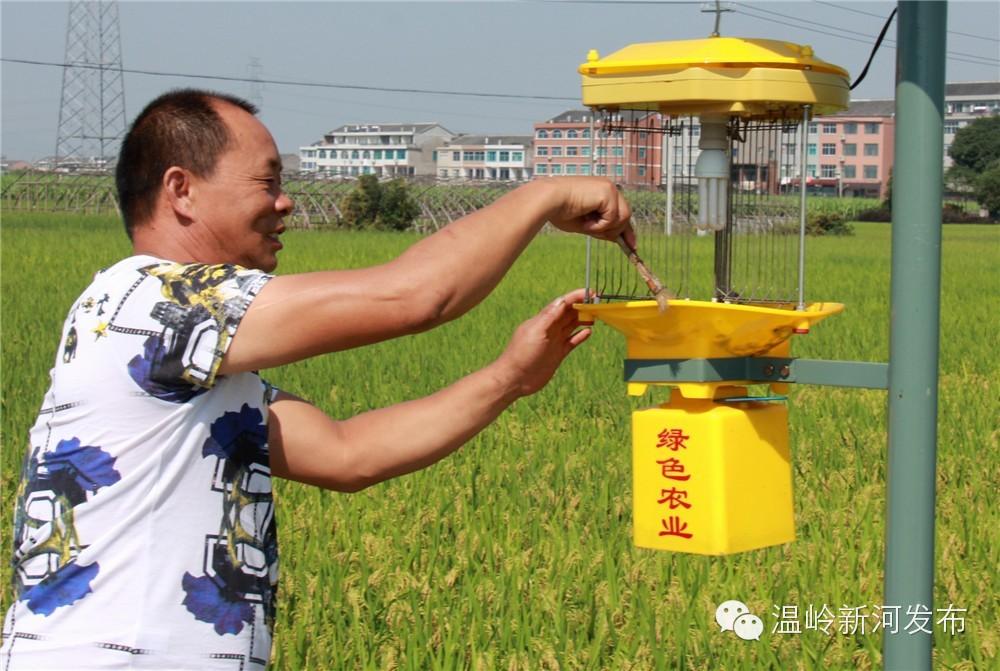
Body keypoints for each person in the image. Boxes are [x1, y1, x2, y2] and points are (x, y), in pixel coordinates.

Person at [1, 89, 632, 669]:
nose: (286, 201)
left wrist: (508, 379)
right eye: (267, 181)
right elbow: (415, 297)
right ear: (181, 189)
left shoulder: (192, 360)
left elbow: (347, 454)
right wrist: (547, 193)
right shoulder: (147, 306)